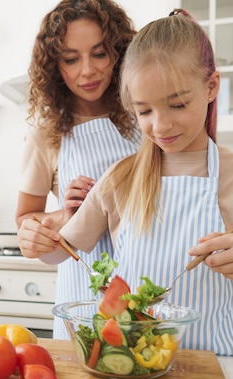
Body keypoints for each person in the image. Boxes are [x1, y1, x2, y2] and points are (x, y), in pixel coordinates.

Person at [17, 9, 233, 356]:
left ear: (212, 86)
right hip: (134, 368)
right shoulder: (119, 179)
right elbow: (60, 252)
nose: (162, 126)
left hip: (216, 372)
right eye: (144, 111)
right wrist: (36, 239)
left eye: (178, 104)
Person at [15, 0, 141, 339]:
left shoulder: (145, 116)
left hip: (148, 285)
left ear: (119, 53)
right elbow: (27, 218)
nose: (87, 70)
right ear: (55, 66)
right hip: (82, 293)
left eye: (99, 54)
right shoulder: (47, 132)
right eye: (71, 59)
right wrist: (64, 216)